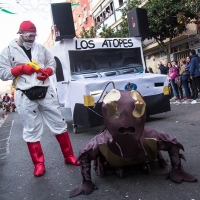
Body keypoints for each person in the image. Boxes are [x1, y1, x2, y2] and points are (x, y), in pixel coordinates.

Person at [0, 20, 79, 177]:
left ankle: (69, 156)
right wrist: (20, 69)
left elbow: (52, 63)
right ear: (20, 34)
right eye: (29, 35)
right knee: (31, 129)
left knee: (59, 123)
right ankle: (39, 164)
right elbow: (2, 73)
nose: (31, 39)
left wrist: (48, 71)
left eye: (34, 35)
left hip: (45, 91)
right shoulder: (8, 51)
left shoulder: (40, 47)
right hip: (24, 94)